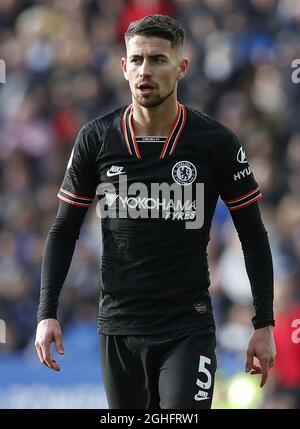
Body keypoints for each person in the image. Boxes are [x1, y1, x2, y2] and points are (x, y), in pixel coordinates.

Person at [35, 14, 276, 409]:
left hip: (187, 326)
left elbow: (253, 235)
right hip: (118, 326)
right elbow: (63, 230)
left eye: (158, 60)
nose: (146, 70)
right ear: (124, 67)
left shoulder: (215, 142)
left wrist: (263, 323)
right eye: (137, 60)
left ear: (181, 67)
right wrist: (47, 313)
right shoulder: (97, 138)